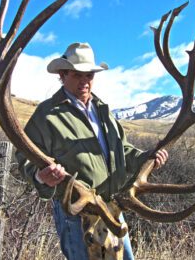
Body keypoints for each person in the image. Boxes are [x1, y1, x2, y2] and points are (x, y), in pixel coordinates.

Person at [15, 42, 168, 260]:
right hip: (77, 214)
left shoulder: (102, 109)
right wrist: (41, 177)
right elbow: (25, 156)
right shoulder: (47, 115)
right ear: (63, 74)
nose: (85, 81)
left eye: (89, 75)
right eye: (77, 75)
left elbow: (122, 149)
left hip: (112, 208)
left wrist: (147, 157)